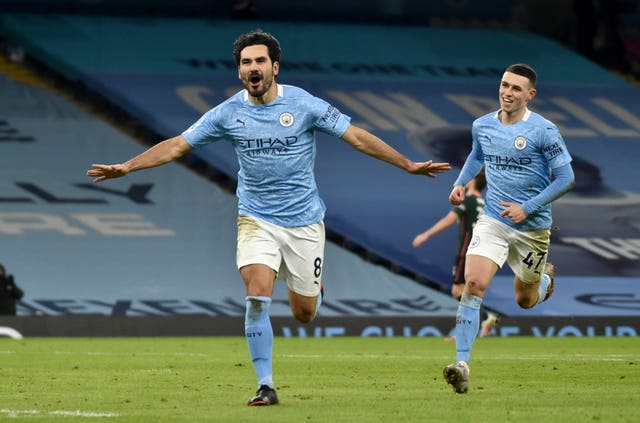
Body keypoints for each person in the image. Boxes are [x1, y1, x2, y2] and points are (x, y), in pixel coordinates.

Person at [86, 30, 451, 406]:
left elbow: (356, 137)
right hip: (256, 218)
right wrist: (127, 167)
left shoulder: (305, 105)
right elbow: (179, 144)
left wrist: (407, 164)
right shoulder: (228, 113)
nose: (253, 68)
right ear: (239, 72)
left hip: (304, 221)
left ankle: (313, 288)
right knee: (257, 293)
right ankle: (266, 385)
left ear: (274, 67)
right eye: (246, 63)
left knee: (304, 314)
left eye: (260, 61)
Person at [442, 63, 575, 394]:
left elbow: (567, 178)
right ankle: (462, 365)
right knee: (473, 283)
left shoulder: (544, 131)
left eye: (516, 88)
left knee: (524, 300)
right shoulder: (483, 125)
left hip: (532, 228)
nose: (507, 92)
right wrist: (460, 183)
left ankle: (544, 279)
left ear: (530, 95)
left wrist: (527, 208)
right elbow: (477, 156)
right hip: (494, 221)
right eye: (504, 85)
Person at [411, 171, 499, 340]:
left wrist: (425, 235)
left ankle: (479, 322)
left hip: (466, 251)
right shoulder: (484, 202)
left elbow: (447, 220)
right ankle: (477, 324)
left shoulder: (466, 200)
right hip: (483, 250)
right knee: (467, 292)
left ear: (473, 181)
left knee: (459, 291)